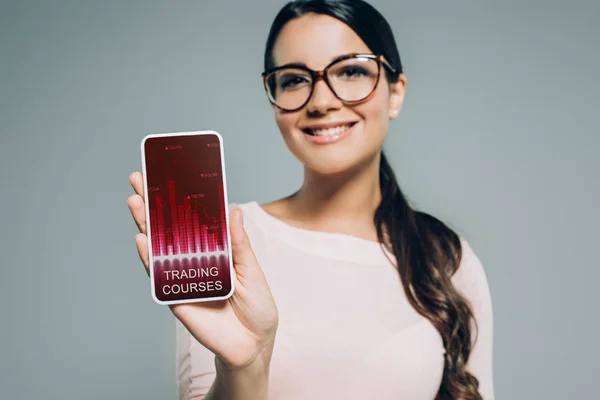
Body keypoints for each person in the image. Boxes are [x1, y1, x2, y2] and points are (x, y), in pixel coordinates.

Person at [127, 0, 494, 399]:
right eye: (294, 79)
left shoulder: (446, 258)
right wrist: (245, 365)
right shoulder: (231, 246)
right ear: (274, 100)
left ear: (395, 93)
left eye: (351, 70)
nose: (321, 101)